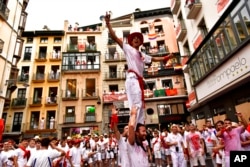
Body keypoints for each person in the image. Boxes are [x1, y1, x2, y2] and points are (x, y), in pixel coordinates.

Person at [105, 12, 174, 127]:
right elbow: (115, 37)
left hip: (138, 81)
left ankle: (139, 128)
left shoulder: (142, 54)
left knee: (140, 105)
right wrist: (108, 24)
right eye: (134, 38)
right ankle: (133, 128)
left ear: (140, 42)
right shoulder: (128, 49)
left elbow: (155, 58)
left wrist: (166, 57)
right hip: (132, 79)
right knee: (136, 104)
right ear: (131, 42)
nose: (136, 39)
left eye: (138, 38)